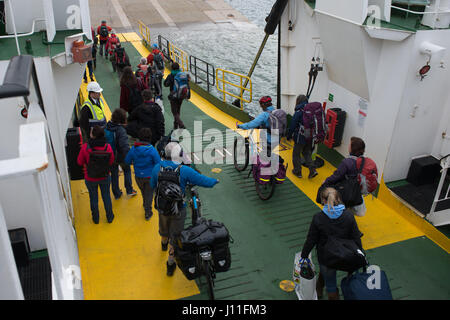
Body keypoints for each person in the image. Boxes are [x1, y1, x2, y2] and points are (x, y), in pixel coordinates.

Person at [150, 142, 219, 276]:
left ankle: (163, 243)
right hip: (178, 209)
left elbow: (153, 185)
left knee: (163, 228)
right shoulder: (184, 170)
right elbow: (201, 180)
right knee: (175, 238)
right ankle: (170, 264)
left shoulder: (156, 168)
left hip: (162, 207)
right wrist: (214, 181)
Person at [300, 187, 363, 300]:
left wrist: (304, 255)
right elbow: (356, 237)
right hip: (346, 256)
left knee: (331, 286)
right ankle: (318, 289)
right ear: (338, 198)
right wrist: (360, 255)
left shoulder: (318, 218)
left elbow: (311, 240)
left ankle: (326, 293)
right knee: (327, 272)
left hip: (327, 258)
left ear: (323, 201)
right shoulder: (348, 216)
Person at [77, 126, 115, 224]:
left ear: (92, 135)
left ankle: (96, 219)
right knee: (106, 196)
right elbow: (111, 161)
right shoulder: (108, 147)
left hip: (90, 177)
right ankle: (110, 217)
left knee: (93, 198)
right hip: (105, 176)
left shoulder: (86, 147)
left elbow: (79, 162)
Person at [321, 137, 367, 217]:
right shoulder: (363, 162)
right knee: (350, 207)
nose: (348, 146)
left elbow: (337, 176)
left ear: (352, 148)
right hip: (357, 190)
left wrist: (326, 181)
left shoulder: (347, 162)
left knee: (343, 205)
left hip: (346, 190)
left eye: (350, 145)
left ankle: (339, 219)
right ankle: (348, 218)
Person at [125, 128, 161, 220]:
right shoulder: (152, 150)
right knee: (149, 194)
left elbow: (127, 161)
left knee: (143, 192)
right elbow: (158, 163)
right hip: (149, 176)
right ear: (149, 138)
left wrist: (135, 162)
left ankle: (145, 204)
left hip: (138, 176)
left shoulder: (133, 149)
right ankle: (148, 212)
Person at [105, 108, 137, 199]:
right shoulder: (120, 130)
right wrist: (129, 156)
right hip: (121, 156)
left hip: (111, 155)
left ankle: (116, 193)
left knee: (114, 173)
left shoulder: (107, 126)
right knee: (127, 170)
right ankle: (129, 190)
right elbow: (124, 146)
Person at [286, 94, 318, 179]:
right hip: (310, 137)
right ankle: (313, 170)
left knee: (296, 154)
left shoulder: (298, 112)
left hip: (300, 137)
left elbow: (293, 124)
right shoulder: (311, 110)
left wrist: (288, 136)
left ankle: (297, 171)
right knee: (306, 153)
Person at [163, 62, 189, 129]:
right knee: (178, 110)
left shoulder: (171, 75)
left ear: (172, 68)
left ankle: (180, 124)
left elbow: (165, 84)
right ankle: (176, 125)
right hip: (182, 95)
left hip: (173, 95)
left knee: (174, 111)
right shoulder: (183, 75)